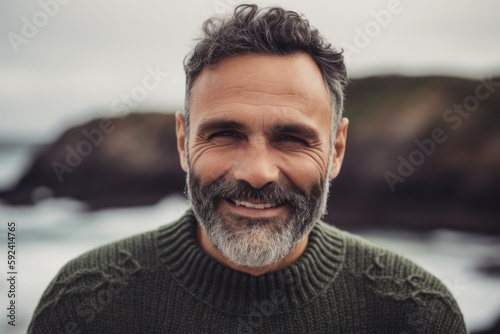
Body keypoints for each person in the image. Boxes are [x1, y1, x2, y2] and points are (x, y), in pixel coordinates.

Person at [29, 4, 467, 333]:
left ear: (336, 150)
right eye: (224, 134)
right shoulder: (84, 301)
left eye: (292, 139)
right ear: (183, 142)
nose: (257, 173)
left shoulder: (415, 312)